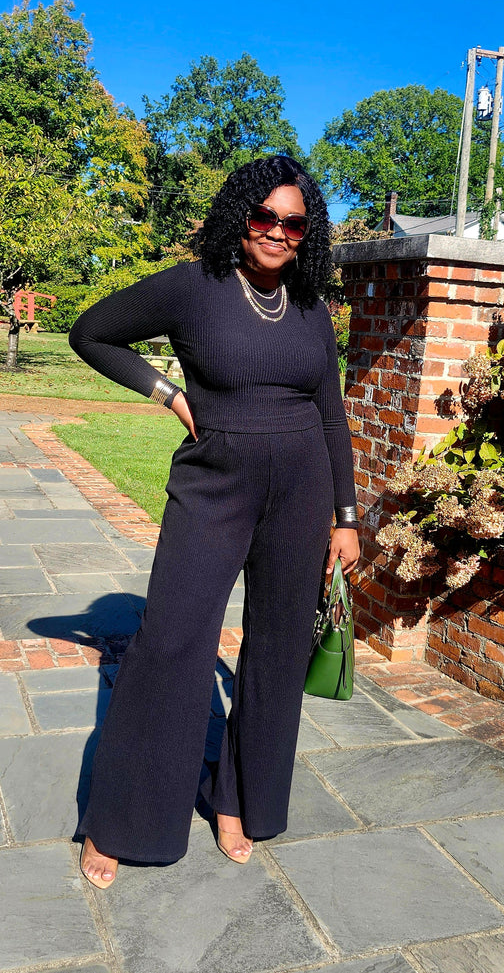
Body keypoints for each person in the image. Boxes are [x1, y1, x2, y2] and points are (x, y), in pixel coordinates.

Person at [69, 154, 360, 889]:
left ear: (307, 232)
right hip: (213, 486)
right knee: (171, 639)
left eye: (293, 222)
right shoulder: (194, 286)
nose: (276, 232)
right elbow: (91, 332)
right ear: (241, 216)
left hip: (301, 489)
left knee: (277, 648)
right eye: (264, 216)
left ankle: (237, 801)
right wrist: (168, 391)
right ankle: (120, 819)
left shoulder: (309, 307)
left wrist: (345, 516)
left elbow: (332, 416)